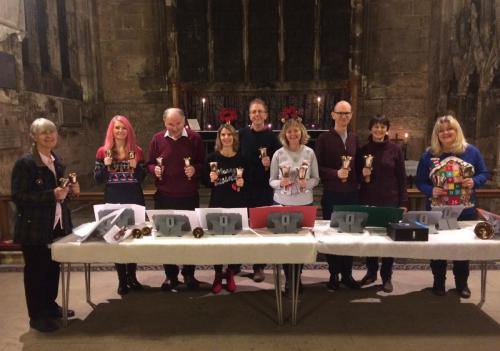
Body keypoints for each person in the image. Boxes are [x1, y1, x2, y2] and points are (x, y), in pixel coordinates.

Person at [11, 118, 80, 332]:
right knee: (36, 272)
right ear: (34, 137)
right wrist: (51, 195)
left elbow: (60, 194)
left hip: (56, 225)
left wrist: (70, 192)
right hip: (35, 228)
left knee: (52, 268)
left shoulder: (56, 160)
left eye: (52, 132)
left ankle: (50, 306)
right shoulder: (26, 163)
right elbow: (19, 196)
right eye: (44, 133)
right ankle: (37, 316)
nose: (49, 136)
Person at [416, 115, 489, 298]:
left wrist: (474, 181)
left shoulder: (471, 152)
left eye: (450, 129)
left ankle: (462, 284)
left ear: (457, 131)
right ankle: (438, 283)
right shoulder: (428, 155)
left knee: (462, 248)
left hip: (464, 210)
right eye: (441, 131)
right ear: (436, 134)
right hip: (437, 211)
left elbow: (484, 173)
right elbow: (419, 182)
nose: (446, 133)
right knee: (438, 248)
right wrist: (430, 190)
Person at [147, 108, 205, 291]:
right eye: (170, 124)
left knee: (190, 236)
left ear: (184, 121)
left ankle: (189, 274)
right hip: (165, 196)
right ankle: (170, 276)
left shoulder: (194, 138)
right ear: (165, 122)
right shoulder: (157, 139)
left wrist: (195, 169)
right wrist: (153, 170)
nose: (174, 128)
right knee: (166, 237)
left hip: (188, 195)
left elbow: (204, 163)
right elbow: (149, 163)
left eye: (178, 124)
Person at [95, 115, 146, 295]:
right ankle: (122, 280)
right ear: (112, 130)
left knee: (132, 238)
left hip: (133, 198)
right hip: (113, 198)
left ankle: (132, 277)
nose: (120, 131)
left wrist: (136, 167)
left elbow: (141, 179)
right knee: (116, 238)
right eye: (117, 128)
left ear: (128, 131)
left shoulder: (137, 151)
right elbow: (98, 179)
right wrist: (104, 166)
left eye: (124, 128)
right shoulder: (103, 152)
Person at [357, 115, 409, 293]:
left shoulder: (395, 150)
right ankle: (371, 272)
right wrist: (363, 174)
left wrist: (403, 202)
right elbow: (357, 176)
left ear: (387, 129)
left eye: (382, 127)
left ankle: (387, 277)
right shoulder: (363, 149)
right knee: (370, 239)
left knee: (388, 240)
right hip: (368, 199)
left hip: (390, 200)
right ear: (370, 129)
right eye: (375, 127)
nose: (379, 130)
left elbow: (402, 178)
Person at [269, 118, 319, 295]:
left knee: (301, 243)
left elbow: (316, 178)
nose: (293, 134)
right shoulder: (278, 154)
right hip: (282, 202)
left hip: (304, 202)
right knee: (285, 244)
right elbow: (271, 181)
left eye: (296, 131)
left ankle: (297, 276)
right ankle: (289, 279)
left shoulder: (310, 153)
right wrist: (281, 183)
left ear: (301, 133)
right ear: (285, 134)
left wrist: (308, 183)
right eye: (289, 131)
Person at [315, 100, 361, 291]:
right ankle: (334, 274)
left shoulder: (354, 138)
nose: (343, 117)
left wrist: (363, 175)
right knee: (333, 235)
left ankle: (347, 274)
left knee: (349, 234)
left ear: (350, 116)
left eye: (347, 113)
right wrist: (335, 173)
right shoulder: (324, 139)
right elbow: (317, 169)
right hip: (332, 194)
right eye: (340, 113)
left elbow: (357, 165)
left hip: (351, 194)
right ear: (333, 115)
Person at [239, 98, 281, 282]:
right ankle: (235, 263)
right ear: (249, 115)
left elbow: (280, 163)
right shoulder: (241, 134)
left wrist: (270, 162)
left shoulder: (273, 137)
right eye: (253, 111)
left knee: (261, 228)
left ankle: (258, 266)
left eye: (260, 111)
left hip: (264, 188)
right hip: (242, 187)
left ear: (266, 115)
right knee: (241, 226)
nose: (257, 114)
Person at [203, 124, 246, 293]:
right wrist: (210, 178)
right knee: (217, 241)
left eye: (229, 134)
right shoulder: (212, 158)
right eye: (223, 135)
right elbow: (205, 183)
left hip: (236, 204)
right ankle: (217, 273)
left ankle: (230, 273)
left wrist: (244, 183)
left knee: (234, 242)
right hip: (218, 203)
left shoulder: (242, 159)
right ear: (219, 138)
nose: (226, 137)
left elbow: (249, 182)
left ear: (234, 137)